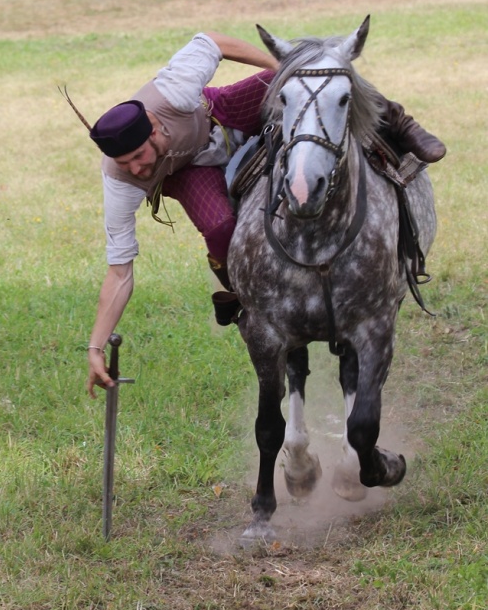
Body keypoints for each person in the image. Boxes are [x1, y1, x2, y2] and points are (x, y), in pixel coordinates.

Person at [85, 30, 445, 398]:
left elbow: (213, 41)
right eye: (122, 162)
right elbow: (119, 271)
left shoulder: (174, 90)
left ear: (156, 128)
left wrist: (281, 66)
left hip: (219, 118)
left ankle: (399, 122)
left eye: (138, 156)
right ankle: (245, 298)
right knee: (220, 226)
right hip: (191, 170)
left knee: (309, 74)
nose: (134, 169)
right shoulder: (120, 180)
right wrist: (95, 347)